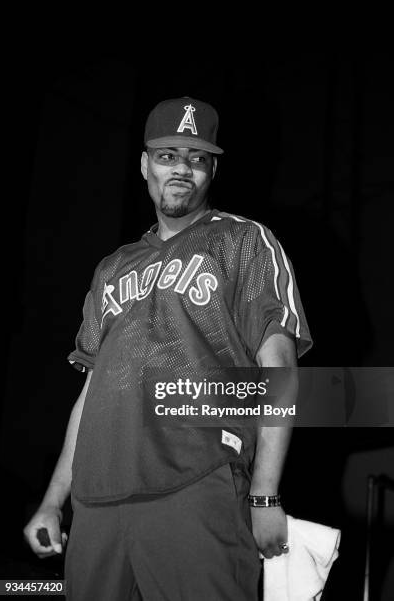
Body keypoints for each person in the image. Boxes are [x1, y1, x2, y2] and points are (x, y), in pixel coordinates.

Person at [24, 97, 312, 600]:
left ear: (212, 170)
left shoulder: (244, 240)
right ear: (144, 164)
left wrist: (265, 497)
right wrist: (53, 500)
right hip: (96, 504)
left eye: (197, 158)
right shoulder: (113, 268)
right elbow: (91, 393)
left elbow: (279, 368)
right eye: (168, 155)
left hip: (196, 485)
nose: (182, 169)